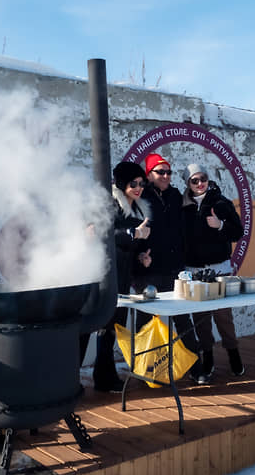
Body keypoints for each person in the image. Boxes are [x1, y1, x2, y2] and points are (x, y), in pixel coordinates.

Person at [79, 161, 151, 393]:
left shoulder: (137, 208)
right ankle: (69, 380)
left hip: (121, 277)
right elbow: (98, 234)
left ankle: (104, 377)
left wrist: (141, 255)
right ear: (121, 183)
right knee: (87, 329)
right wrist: (133, 233)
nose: (139, 187)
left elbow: (127, 245)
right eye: (133, 183)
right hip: (100, 276)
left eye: (142, 183)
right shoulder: (108, 203)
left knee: (110, 330)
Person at [134, 153, 202, 378]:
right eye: (160, 172)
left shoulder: (175, 196)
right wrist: (139, 254)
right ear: (149, 174)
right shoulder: (140, 196)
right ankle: (144, 369)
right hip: (148, 269)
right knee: (145, 322)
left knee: (183, 317)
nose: (165, 176)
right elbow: (131, 229)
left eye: (168, 172)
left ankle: (195, 366)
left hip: (175, 268)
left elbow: (201, 198)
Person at [180, 164, 245, 384]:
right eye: (194, 180)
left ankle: (233, 352)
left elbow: (238, 232)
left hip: (219, 268)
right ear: (187, 184)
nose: (200, 184)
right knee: (200, 318)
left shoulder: (221, 202)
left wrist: (220, 225)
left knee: (223, 316)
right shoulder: (183, 207)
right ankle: (207, 355)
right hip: (195, 270)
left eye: (203, 179)